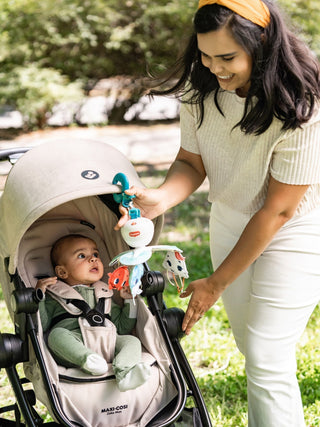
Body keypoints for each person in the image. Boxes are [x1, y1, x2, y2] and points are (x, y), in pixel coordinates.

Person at [115, 0, 320, 424]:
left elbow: (278, 210)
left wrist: (215, 283)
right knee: (251, 347)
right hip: (229, 217)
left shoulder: (302, 105)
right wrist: (162, 197)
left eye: (227, 57)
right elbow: (192, 162)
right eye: (206, 56)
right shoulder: (201, 88)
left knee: (267, 355)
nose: (215, 68)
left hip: (296, 228)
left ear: (262, 44)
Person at [36, 234, 151, 391]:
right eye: (82, 255)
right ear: (62, 272)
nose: (93, 259)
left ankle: (125, 373)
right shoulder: (55, 295)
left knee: (132, 341)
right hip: (75, 342)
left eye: (96, 255)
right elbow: (41, 325)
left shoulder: (105, 294)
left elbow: (123, 327)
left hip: (108, 341)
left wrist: (129, 300)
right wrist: (39, 297)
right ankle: (88, 360)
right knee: (56, 335)